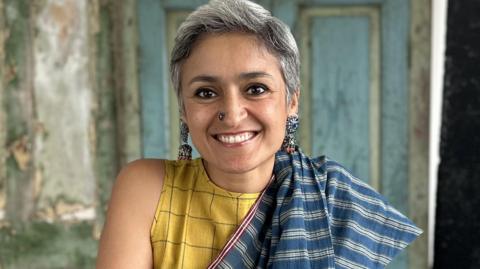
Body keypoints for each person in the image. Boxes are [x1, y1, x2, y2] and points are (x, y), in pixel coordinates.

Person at [96, 0, 422, 268]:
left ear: (291, 101)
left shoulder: (335, 201)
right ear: (183, 108)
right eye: (206, 93)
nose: (233, 113)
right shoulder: (146, 189)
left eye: (256, 88)